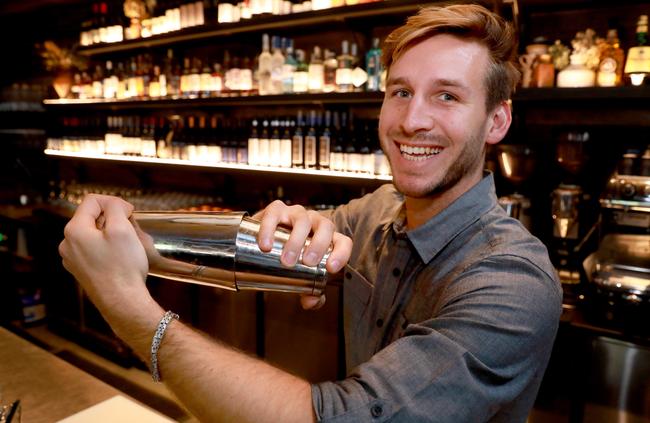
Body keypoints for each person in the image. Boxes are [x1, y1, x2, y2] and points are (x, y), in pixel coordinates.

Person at [58, 4, 562, 422]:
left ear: (497, 120)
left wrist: (127, 306)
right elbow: (252, 243)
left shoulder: (512, 279)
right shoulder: (375, 212)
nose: (412, 120)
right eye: (401, 92)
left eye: (447, 96)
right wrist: (125, 231)